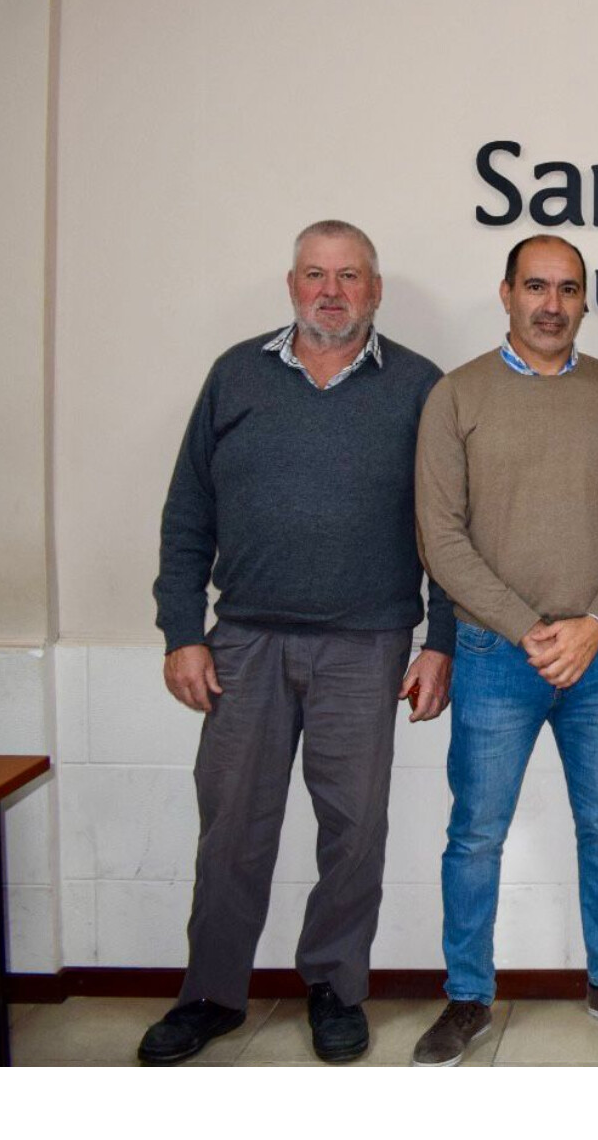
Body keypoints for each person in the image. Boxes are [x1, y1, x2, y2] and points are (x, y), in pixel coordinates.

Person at [142, 220, 453, 1065]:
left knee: (354, 832)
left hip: (368, 644)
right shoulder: (235, 375)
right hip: (245, 643)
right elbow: (186, 513)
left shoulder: (420, 387)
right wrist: (183, 632)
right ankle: (211, 994)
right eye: (316, 274)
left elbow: (448, 526)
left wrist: (441, 641)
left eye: (350, 276)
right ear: (292, 286)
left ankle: (335, 988)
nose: (331, 291)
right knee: (231, 829)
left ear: (375, 290)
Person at [410, 235, 598, 1066]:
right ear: (506, 293)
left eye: (567, 289)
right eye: (535, 287)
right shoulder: (457, 396)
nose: (551, 305)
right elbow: (440, 538)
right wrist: (527, 627)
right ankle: (466, 996)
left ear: (584, 299)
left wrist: (593, 623)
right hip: (495, 655)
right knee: (475, 834)